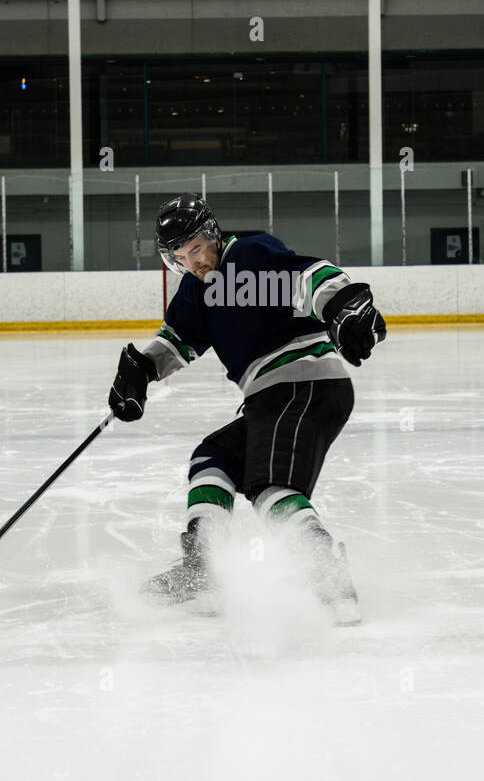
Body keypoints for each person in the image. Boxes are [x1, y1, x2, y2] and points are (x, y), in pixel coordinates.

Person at [108, 193, 386, 624]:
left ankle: (325, 571)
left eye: (197, 248)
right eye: (182, 257)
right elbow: (177, 341)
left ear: (213, 235)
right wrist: (141, 371)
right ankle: (203, 570)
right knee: (212, 459)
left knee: (270, 484)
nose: (195, 262)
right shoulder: (197, 289)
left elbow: (307, 278)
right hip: (268, 397)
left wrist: (341, 305)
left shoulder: (249, 257)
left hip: (305, 382)